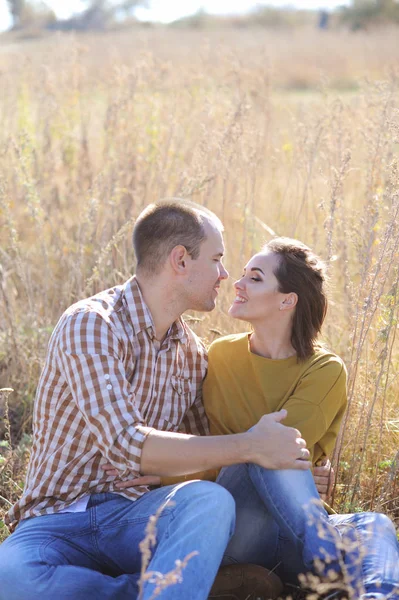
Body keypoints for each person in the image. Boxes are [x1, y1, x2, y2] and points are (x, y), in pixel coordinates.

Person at [0, 201, 312, 600]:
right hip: (57, 522)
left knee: (209, 500)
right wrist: (251, 445)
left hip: (139, 519)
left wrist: (286, 471)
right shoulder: (92, 324)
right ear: (180, 260)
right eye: (216, 259)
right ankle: (177, 588)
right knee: (10, 578)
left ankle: (170, 586)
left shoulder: (194, 354)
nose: (224, 275)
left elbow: (208, 456)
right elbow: (127, 444)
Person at [113, 238, 399, 600]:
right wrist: (164, 471)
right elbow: (260, 451)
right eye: (243, 274)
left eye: (255, 278)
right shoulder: (219, 356)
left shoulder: (324, 370)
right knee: (266, 446)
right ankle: (330, 572)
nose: (237, 282)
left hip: (295, 532)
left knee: (373, 524)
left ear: (286, 300)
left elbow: (281, 457)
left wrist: (281, 460)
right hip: (232, 525)